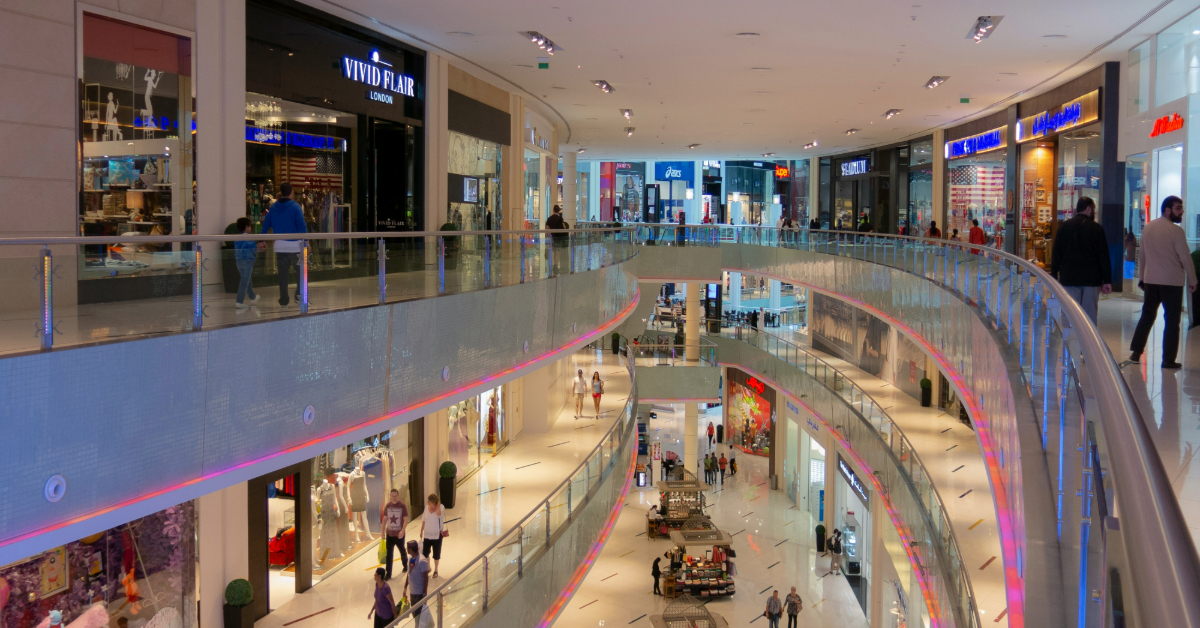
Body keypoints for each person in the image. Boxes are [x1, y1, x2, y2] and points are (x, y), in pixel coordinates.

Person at [1130, 195, 1197, 368]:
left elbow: (1142, 254)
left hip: (1152, 280)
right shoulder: (1176, 231)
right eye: (1178, 208)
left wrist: (1142, 278)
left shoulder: (1149, 227)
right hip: (1172, 282)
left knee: (1147, 316)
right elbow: (1185, 258)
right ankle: (1168, 360)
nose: (1181, 211)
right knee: (1172, 320)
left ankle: (1136, 352)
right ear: (1167, 209)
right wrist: (1193, 279)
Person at [1049, 197, 1112, 324]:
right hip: (1091, 280)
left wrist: (1054, 275)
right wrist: (1107, 280)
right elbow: (1103, 256)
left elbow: (1056, 253)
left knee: (1070, 314)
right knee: (1089, 317)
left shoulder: (1064, 227)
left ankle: (1069, 341)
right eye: (1093, 209)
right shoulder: (1097, 229)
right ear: (1088, 209)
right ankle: (1088, 343)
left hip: (1069, 278)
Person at [261, 182, 307, 307]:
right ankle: (299, 296)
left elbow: (266, 223)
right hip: (295, 246)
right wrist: (306, 242)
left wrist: (261, 239)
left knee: (283, 274)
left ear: (281, 193)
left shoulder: (274, 207)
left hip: (280, 246)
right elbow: (302, 226)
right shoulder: (295, 207)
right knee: (301, 272)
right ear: (291, 192)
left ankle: (284, 298)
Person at [233, 217, 260, 310]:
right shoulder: (249, 238)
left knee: (247, 280)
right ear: (247, 227)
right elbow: (254, 249)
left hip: (238, 261)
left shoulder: (237, 238)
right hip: (248, 261)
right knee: (244, 281)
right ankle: (239, 301)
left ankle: (253, 297)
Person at [404, 540, 432, 627]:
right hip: (412, 592)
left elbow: (425, 578)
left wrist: (424, 594)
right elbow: (409, 573)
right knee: (415, 614)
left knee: (419, 616)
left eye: (407, 548)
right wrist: (405, 587)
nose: (406, 549)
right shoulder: (410, 559)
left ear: (411, 550)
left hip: (419, 594)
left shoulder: (422, 561)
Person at [381, 489, 409, 579]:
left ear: (398, 496)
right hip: (390, 535)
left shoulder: (402, 506)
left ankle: (405, 564)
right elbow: (384, 520)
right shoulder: (388, 506)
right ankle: (388, 574)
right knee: (389, 555)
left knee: (402, 551)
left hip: (399, 535)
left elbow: (405, 519)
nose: (394, 497)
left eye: (395, 496)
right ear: (390, 496)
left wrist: (402, 530)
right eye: (392, 496)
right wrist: (382, 532)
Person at [419, 494, 445, 579]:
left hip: (437, 535)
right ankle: (428, 567)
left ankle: (436, 570)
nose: (430, 505)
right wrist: (421, 530)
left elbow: (438, 514)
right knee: (425, 552)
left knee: (436, 554)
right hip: (427, 535)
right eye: (429, 503)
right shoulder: (427, 508)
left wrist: (437, 505)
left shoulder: (441, 507)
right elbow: (424, 520)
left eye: (432, 503)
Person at [546, 205, 568, 275]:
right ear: (558, 211)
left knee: (554, 251)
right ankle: (555, 264)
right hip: (558, 237)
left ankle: (553, 264)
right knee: (557, 251)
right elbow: (564, 227)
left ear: (553, 210)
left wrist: (547, 238)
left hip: (552, 237)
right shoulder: (560, 218)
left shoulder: (549, 219)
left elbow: (547, 229)